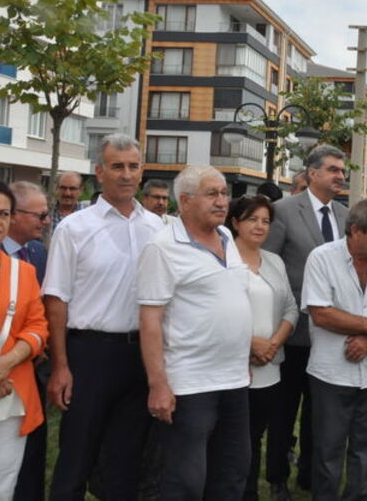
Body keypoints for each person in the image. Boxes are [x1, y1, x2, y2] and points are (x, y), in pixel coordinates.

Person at [45, 134, 163, 500]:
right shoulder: (74, 228)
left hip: (139, 356)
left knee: (126, 460)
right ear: (99, 173)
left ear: (141, 171)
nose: (126, 175)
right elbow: (56, 300)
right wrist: (61, 365)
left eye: (132, 166)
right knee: (76, 455)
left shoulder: (159, 229)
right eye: (117, 167)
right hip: (89, 355)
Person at [137, 166, 253, 499]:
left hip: (234, 379)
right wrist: (158, 384)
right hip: (190, 383)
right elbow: (150, 320)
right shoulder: (162, 247)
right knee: (186, 480)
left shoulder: (228, 238)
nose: (222, 202)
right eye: (212, 194)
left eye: (224, 193)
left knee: (233, 472)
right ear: (185, 201)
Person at [301, 199, 367, 501]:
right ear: (354, 231)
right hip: (331, 374)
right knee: (328, 448)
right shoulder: (321, 259)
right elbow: (321, 312)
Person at [263, 144, 350, 496]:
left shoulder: (346, 216)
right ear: (311, 173)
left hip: (331, 336)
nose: (340, 176)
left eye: (342, 171)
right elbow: (268, 266)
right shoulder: (282, 211)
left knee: (322, 414)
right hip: (293, 332)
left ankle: (312, 476)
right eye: (332, 169)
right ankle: (278, 477)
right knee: (284, 412)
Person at [0, 175, 48, 501]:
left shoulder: (24, 272)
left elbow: (37, 327)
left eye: (3, 214)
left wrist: (6, 363)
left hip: (10, 395)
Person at [225, 196, 299, 500]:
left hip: (270, 366)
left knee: (256, 435)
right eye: (252, 219)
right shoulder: (223, 261)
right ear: (235, 223)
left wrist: (272, 343)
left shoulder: (275, 261)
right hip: (234, 366)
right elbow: (216, 314)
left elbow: (291, 309)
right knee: (234, 441)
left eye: (265, 221)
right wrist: (249, 345)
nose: (259, 226)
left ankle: (250, 491)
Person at [5, 181, 50, 501]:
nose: (46, 221)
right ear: (14, 215)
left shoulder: (36, 252)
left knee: (33, 448)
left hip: (32, 366)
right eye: (40, 214)